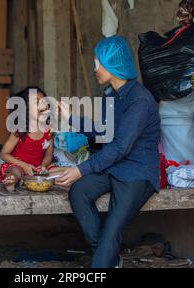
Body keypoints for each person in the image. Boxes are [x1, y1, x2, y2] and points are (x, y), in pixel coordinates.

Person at [53, 36, 161, 268]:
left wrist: (80, 169)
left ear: (112, 65)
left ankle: (103, 259)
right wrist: (71, 118)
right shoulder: (110, 94)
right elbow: (104, 132)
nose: (94, 69)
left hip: (137, 172)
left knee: (113, 229)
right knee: (79, 192)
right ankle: (107, 258)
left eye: (97, 63)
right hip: (114, 166)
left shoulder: (140, 100)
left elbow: (121, 146)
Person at [0, 87, 55, 192]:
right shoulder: (19, 130)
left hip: (37, 168)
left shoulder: (49, 130)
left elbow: (48, 155)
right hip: (18, 165)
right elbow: (4, 154)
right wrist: (24, 166)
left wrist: (43, 166)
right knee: (16, 172)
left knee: (55, 171)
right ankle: (11, 181)